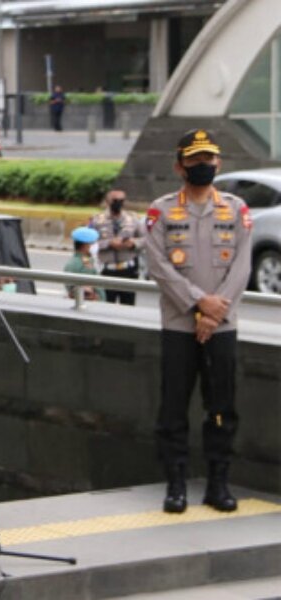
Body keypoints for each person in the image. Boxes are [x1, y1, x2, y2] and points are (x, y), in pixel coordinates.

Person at [145, 129, 252, 514]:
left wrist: (214, 312)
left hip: (222, 328)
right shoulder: (161, 211)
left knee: (221, 408)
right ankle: (175, 485)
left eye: (208, 159)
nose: (202, 165)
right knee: (173, 409)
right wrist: (198, 305)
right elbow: (158, 266)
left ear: (218, 163)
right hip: (179, 327)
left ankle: (217, 484)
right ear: (180, 166)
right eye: (194, 159)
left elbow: (242, 267)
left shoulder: (236, 209)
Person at [89, 189, 146, 305]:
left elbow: (146, 240)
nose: (118, 203)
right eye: (115, 200)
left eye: (121, 200)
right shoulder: (97, 220)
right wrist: (108, 243)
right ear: (107, 201)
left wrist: (133, 243)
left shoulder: (133, 219)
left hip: (128, 271)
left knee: (128, 306)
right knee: (106, 306)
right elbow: (89, 244)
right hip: (106, 270)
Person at [64, 226, 104, 301]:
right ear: (86, 245)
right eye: (93, 243)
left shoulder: (80, 260)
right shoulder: (82, 264)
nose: (95, 246)